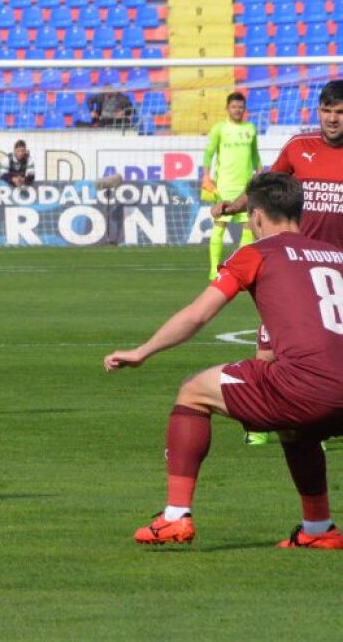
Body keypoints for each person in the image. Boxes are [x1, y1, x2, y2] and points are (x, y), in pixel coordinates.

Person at [106, 173, 343, 549]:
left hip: (305, 386)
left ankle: (174, 516)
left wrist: (142, 351)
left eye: (250, 216)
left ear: (259, 215)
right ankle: (318, 529)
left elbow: (198, 315)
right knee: (294, 425)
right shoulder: (336, 254)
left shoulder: (255, 253)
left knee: (193, 391)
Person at [216, 80, 343, 446]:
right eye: (326, 111)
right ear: (318, 111)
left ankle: (318, 419)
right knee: (270, 343)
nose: (332, 119)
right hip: (295, 264)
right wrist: (234, 206)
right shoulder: (299, 147)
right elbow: (267, 187)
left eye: (339, 112)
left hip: (337, 267)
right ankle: (261, 422)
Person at [203, 92, 261, 282]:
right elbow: (209, 153)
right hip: (225, 186)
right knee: (220, 224)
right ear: (228, 108)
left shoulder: (250, 128)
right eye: (234, 107)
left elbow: (254, 155)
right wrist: (206, 177)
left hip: (245, 187)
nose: (238, 110)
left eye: (241, 107)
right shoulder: (220, 128)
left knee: (247, 227)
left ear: (244, 109)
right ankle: (213, 269)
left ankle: (241, 268)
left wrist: (259, 174)